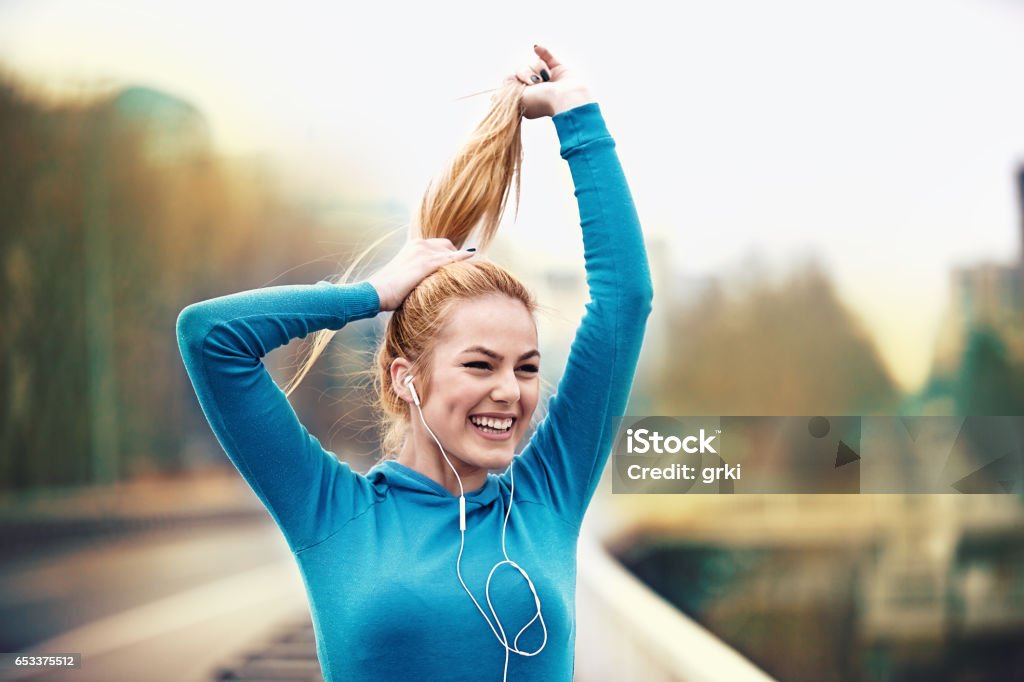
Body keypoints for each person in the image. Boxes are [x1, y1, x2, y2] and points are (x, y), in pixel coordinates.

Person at [176, 44, 652, 682]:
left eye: (528, 367)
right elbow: (210, 338)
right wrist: (372, 293)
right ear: (406, 378)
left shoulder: (546, 496)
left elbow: (626, 301)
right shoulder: (333, 512)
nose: (510, 391)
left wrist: (576, 113)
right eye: (480, 366)